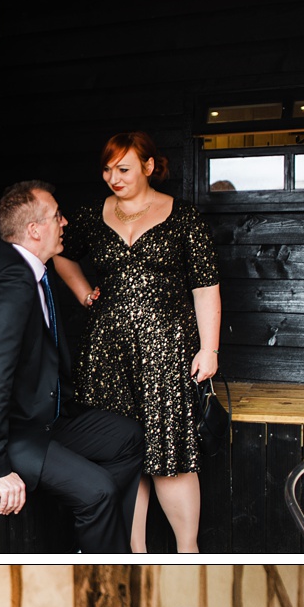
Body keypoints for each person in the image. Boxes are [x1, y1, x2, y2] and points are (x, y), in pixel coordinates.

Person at [0, 180, 144, 552]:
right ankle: (99, 559)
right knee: (99, 491)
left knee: (128, 437)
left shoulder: (28, 270)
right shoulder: (11, 282)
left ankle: (93, 534)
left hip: (30, 419)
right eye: (57, 216)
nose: (65, 222)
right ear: (34, 230)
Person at [53, 132, 223, 553]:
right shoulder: (93, 215)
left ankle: (188, 550)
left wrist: (209, 348)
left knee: (170, 451)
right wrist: (81, 291)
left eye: (123, 169)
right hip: (107, 351)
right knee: (121, 453)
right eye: (108, 169)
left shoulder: (184, 217)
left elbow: (206, 288)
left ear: (148, 167)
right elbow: (59, 251)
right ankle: (135, 553)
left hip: (167, 352)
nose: (114, 177)